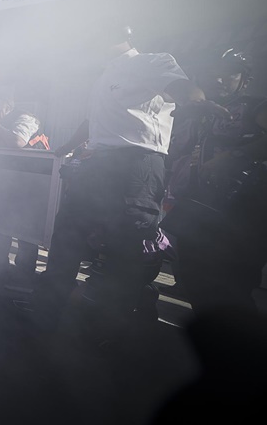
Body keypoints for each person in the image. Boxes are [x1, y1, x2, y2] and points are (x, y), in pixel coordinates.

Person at [31, 23, 229, 342]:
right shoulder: (103, 76)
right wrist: (65, 147)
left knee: (127, 249)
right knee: (67, 236)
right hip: (98, 164)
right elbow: (93, 122)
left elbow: (183, 89)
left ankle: (112, 330)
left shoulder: (149, 61)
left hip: (136, 166)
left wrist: (196, 100)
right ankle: (44, 318)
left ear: (114, 36)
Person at [164, 48, 267, 315]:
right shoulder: (201, 110)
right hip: (199, 204)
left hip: (242, 210)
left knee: (233, 285)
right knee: (194, 278)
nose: (219, 79)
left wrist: (235, 156)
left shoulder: (254, 106)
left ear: (245, 79)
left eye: (229, 74)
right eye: (215, 73)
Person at [0, 97, 45, 277]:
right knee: (1, 220)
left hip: (28, 180)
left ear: (7, 106)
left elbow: (17, 142)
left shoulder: (26, 118)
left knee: (25, 225)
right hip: (5, 178)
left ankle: (24, 270)